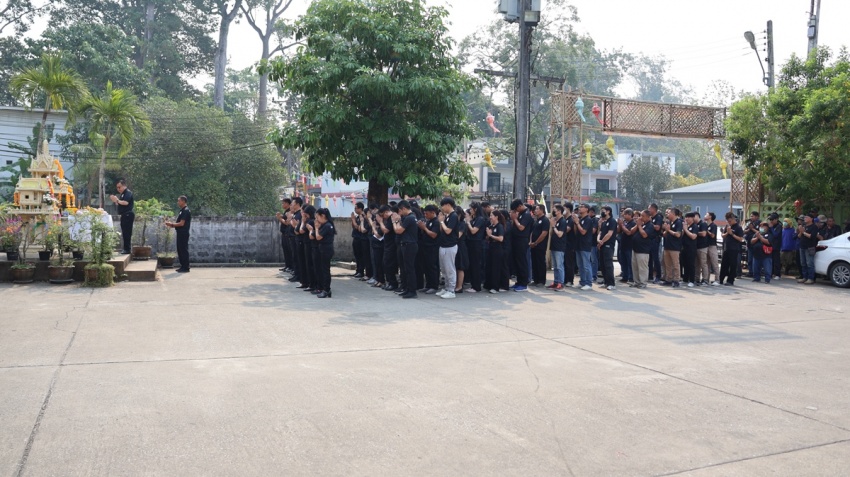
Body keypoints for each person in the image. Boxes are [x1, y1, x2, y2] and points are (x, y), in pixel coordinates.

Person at [393, 200, 419, 299]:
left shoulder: (410, 218)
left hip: (410, 245)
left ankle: (412, 290)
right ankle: (407, 288)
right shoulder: (409, 217)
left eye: (400, 210)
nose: (400, 213)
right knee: (405, 269)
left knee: (409, 269)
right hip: (407, 244)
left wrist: (395, 221)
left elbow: (399, 231)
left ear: (404, 208)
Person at [509, 199, 534, 292]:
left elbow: (521, 227)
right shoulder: (521, 213)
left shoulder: (526, 214)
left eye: (516, 209)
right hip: (516, 240)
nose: (516, 211)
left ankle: (523, 284)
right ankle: (519, 282)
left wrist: (515, 219)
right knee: (517, 262)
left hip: (522, 240)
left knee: (522, 262)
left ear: (520, 206)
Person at [437, 197, 459, 299]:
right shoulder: (447, 216)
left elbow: (448, 231)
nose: (442, 208)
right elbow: (442, 230)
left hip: (450, 245)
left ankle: (451, 290)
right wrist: (441, 221)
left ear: (448, 205)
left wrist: (442, 222)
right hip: (443, 245)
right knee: (444, 269)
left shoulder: (454, 216)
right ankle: (446, 288)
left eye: (443, 206)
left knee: (450, 269)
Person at [416, 204, 440, 294]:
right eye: (424, 213)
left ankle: (434, 286)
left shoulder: (436, 222)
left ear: (433, 212)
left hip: (433, 247)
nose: (425, 215)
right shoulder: (428, 221)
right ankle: (428, 285)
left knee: (432, 267)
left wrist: (424, 228)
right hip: (425, 247)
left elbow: (433, 235)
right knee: (426, 267)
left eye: (427, 213)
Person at [630, 209, 656, 289]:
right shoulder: (641, 224)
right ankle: (636, 282)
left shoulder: (650, 226)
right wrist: (637, 225)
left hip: (643, 250)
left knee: (642, 268)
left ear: (648, 217)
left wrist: (639, 226)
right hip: (635, 249)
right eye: (640, 215)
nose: (641, 217)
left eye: (643, 216)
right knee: (635, 267)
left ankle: (643, 282)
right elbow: (631, 231)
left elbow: (644, 235)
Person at [165, 195, 191, 273]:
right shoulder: (182, 210)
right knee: (180, 249)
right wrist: (172, 225)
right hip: (180, 233)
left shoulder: (186, 210)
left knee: (183, 250)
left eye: (179, 201)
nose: (178, 202)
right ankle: (182, 266)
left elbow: (181, 223)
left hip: (183, 233)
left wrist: (172, 224)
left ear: (183, 201)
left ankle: (186, 267)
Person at [313, 208, 335, 298]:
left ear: (323, 216)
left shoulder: (327, 225)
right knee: (323, 270)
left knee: (325, 270)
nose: (317, 219)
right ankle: (325, 289)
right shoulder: (325, 225)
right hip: (324, 249)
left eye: (317, 217)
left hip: (326, 249)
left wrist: (316, 228)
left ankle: (326, 289)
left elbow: (318, 237)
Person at [465, 202, 486, 293]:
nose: (470, 211)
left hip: (477, 243)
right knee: (472, 265)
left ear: (475, 209)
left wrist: (468, 222)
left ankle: (476, 286)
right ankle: (473, 285)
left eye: (471, 209)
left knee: (476, 265)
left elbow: (474, 231)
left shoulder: (480, 219)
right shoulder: (474, 219)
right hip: (471, 243)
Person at [573, 203, 595, 290]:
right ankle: (582, 281)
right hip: (578, 244)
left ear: (587, 209)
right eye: (579, 207)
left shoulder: (588, 219)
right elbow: (576, 231)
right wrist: (576, 223)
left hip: (585, 245)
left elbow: (583, 232)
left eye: (582, 207)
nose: (580, 208)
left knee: (586, 265)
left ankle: (589, 283)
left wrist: (577, 223)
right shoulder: (581, 219)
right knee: (580, 265)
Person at [719, 212, 745, 286]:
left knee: (733, 265)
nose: (729, 222)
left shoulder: (738, 227)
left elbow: (740, 239)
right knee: (724, 264)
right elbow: (723, 235)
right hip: (726, 248)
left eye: (730, 221)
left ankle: (730, 280)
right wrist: (727, 232)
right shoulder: (727, 226)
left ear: (733, 219)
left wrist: (732, 234)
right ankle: (720, 279)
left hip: (734, 249)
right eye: (727, 221)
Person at [109, 179, 134, 254]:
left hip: (128, 214)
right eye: (117, 188)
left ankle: (127, 249)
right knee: (124, 232)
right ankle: (126, 248)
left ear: (124, 186)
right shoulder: (122, 194)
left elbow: (126, 203)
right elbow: (120, 203)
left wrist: (117, 200)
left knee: (127, 232)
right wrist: (115, 200)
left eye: (119, 187)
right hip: (124, 215)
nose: (118, 189)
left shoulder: (128, 193)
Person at [378, 205, 399, 291]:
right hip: (388, 245)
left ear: (386, 212)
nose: (383, 217)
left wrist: (380, 222)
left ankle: (393, 283)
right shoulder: (388, 219)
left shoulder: (392, 218)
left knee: (389, 264)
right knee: (385, 264)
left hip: (392, 245)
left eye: (383, 215)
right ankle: (389, 282)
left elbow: (386, 230)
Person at [484, 210, 506, 293]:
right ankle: (489, 285)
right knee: (489, 267)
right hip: (491, 247)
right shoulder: (491, 226)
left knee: (495, 268)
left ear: (496, 217)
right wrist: (488, 235)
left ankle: (495, 287)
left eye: (491, 216)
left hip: (497, 248)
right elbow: (488, 238)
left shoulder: (500, 226)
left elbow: (500, 238)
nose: (490, 217)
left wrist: (491, 235)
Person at [547, 205, 568, 291]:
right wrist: (552, 225)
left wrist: (553, 226)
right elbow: (552, 233)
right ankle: (556, 282)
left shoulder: (563, 221)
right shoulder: (556, 221)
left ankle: (561, 283)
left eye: (555, 210)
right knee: (555, 266)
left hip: (560, 247)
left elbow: (560, 234)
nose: (553, 211)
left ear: (559, 211)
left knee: (559, 266)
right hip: (554, 246)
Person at [661, 208, 683, 287]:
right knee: (667, 265)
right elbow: (664, 234)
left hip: (675, 247)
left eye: (669, 213)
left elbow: (678, 234)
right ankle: (668, 279)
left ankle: (676, 280)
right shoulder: (669, 222)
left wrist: (669, 230)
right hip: (667, 246)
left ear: (673, 214)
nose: (667, 214)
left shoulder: (679, 222)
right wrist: (666, 230)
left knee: (675, 264)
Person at [597, 205, 617, 290]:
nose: (602, 212)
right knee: (603, 265)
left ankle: (611, 283)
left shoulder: (612, 221)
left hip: (608, 246)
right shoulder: (604, 222)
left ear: (608, 211)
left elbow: (609, 234)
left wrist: (602, 241)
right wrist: (598, 240)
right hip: (602, 246)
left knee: (608, 265)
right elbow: (600, 233)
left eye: (603, 211)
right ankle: (605, 282)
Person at [529, 204, 549, 287]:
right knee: (534, 263)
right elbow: (532, 232)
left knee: (540, 263)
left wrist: (536, 242)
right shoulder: (536, 220)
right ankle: (536, 280)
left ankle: (541, 281)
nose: (535, 211)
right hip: (533, 245)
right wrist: (531, 242)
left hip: (540, 245)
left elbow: (544, 233)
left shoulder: (545, 220)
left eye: (537, 209)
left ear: (542, 210)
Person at [797, 214, 819, 285]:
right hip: (802, 246)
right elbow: (799, 236)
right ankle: (804, 277)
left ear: (811, 219)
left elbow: (811, 236)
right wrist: (801, 231)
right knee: (803, 263)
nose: (805, 218)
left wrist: (803, 232)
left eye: (807, 217)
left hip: (809, 247)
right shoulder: (804, 226)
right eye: (805, 217)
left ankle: (811, 278)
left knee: (809, 263)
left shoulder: (814, 227)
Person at [350, 202, 370, 280]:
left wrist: (353, 220)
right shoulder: (358, 217)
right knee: (357, 256)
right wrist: (353, 220)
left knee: (361, 256)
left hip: (361, 238)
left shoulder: (363, 218)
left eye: (356, 208)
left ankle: (361, 271)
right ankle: (358, 270)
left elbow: (359, 228)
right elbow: (354, 226)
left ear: (360, 208)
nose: (355, 210)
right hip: (356, 238)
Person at [453, 206, 469, 294]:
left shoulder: (462, 224)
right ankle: (455, 285)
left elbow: (458, 236)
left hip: (460, 246)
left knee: (460, 267)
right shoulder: (455, 223)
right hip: (454, 245)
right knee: (455, 266)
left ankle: (459, 286)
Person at [617, 208, 636, 284]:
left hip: (629, 245)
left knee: (629, 262)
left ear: (630, 215)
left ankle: (631, 277)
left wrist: (622, 225)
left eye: (625, 214)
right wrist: (620, 225)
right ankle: (624, 276)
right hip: (623, 245)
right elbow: (618, 231)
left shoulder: (633, 223)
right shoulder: (624, 222)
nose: (623, 216)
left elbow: (628, 232)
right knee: (623, 261)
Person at [276, 198, 294, 273]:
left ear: (287, 203)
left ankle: (291, 267)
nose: (282, 205)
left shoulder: (289, 212)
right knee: (286, 251)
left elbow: (287, 223)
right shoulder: (286, 211)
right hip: (284, 233)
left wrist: (279, 218)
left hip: (288, 234)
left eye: (283, 203)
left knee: (289, 251)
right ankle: (287, 266)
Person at [288, 197, 304, 283]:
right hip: (293, 237)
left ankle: (298, 275)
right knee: (294, 257)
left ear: (297, 204)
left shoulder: (299, 214)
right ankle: (296, 273)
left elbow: (298, 226)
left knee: (297, 257)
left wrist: (294, 224)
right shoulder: (295, 214)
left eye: (293, 203)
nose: (291, 205)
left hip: (296, 237)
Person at [648, 203, 664, 284]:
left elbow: (657, 228)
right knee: (649, 258)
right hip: (649, 240)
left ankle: (658, 276)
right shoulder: (650, 217)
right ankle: (650, 275)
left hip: (655, 240)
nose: (648, 210)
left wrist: (650, 223)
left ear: (654, 209)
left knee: (656, 258)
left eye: (649, 208)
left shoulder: (658, 217)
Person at [694, 212, 709, 286]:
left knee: (703, 263)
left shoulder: (703, 224)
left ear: (697, 216)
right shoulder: (695, 225)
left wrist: (696, 233)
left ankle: (705, 279)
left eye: (693, 217)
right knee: (697, 264)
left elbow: (703, 233)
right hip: (696, 246)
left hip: (703, 247)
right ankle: (697, 279)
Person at [704, 212, 720, 286]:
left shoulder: (713, 225)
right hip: (706, 246)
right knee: (707, 264)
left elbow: (713, 235)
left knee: (714, 263)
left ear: (710, 217)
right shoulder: (705, 225)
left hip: (712, 246)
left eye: (706, 214)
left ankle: (717, 279)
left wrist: (707, 231)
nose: (705, 216)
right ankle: (706, 279)